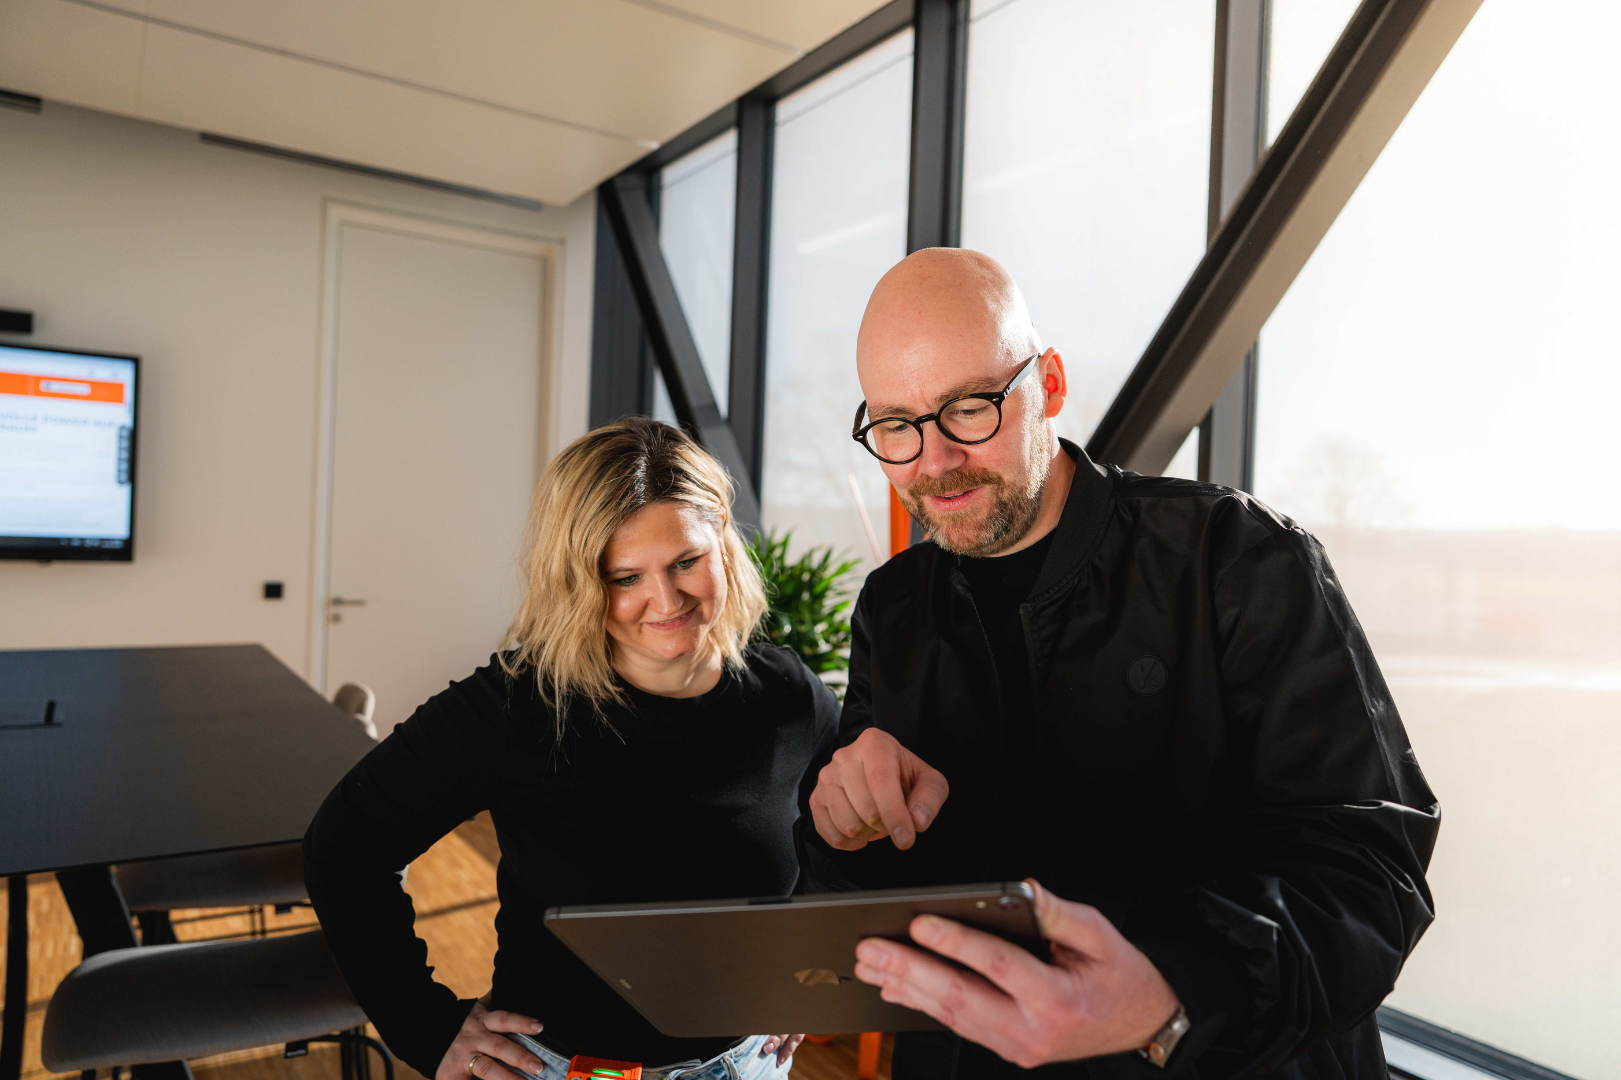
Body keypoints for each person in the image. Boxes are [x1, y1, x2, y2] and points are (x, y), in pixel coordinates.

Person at [802, 249, 1440, 1079]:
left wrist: (1176, 991)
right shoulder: (893, 606)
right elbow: (873, 895)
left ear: (1051, 385)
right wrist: (842, 827)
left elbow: (1372, 873)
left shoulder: (1238, 559)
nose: (932, 461)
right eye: (895, 425)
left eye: (968, 408)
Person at [306, 419, 839, 1080]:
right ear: (580, 578)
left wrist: (807, 972)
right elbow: (344, 846)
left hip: (748, 1063)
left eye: (685, 562)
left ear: (722, 534)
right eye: (624, 578)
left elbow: (844, 838)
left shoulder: (787, 696)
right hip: (565, 1068)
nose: (664, 600)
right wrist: (425, 1025)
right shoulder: (520, 707)